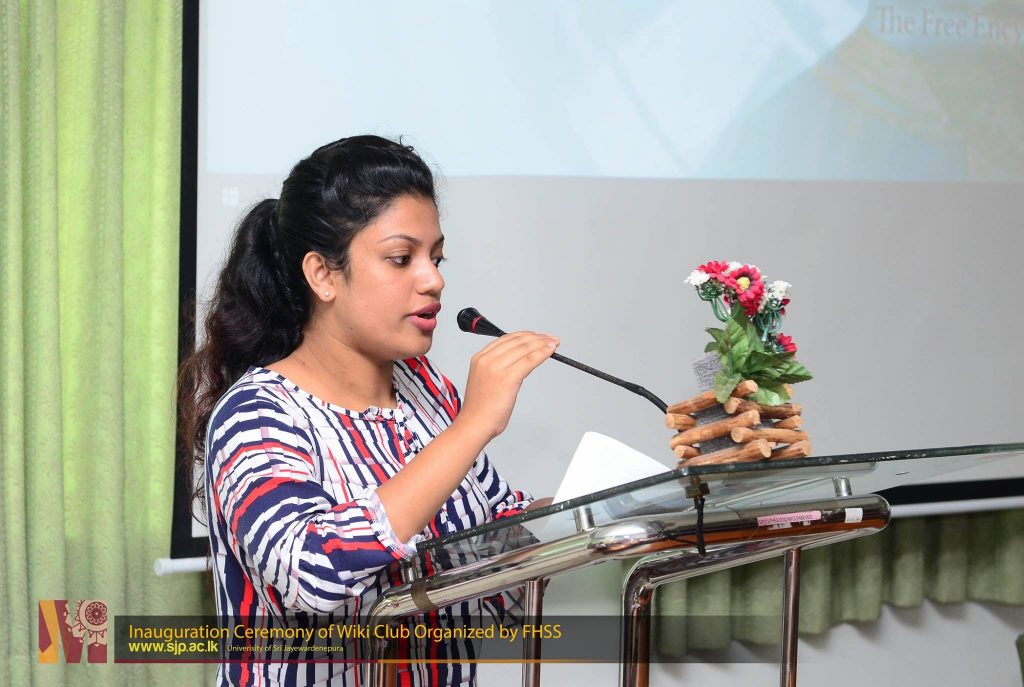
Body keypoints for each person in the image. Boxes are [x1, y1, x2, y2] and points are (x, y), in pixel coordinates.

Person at [178, 135, 559, 686]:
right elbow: (312, 570)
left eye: (436, 258)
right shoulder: (256, 414)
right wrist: (474, 425)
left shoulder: (427, 389)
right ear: (322, 274)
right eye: (401, 259)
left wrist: (599, 507)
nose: (434, 280)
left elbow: (488, 537)